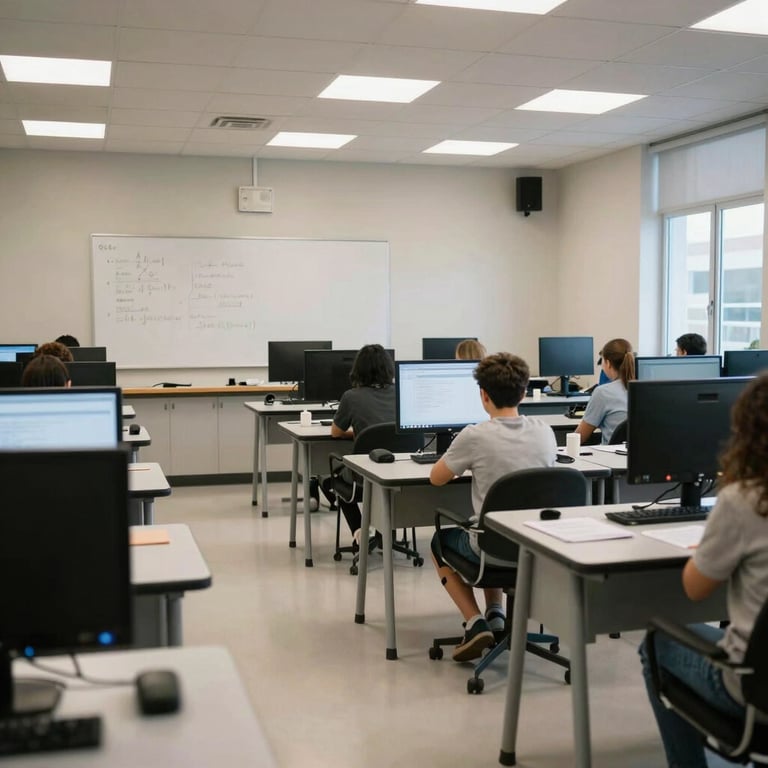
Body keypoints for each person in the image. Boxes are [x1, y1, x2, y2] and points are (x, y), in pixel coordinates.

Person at [638, 373, 768, 768]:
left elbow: (695, 589)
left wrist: (712, 550)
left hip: (753, 692)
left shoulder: (744, 500)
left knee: (657, 644)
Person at [429, 353, 557, 661]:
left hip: (491, 550)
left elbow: (436, 479)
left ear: (483, 395)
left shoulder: (474, 436)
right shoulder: (545, 431)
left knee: (441, 541)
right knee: (496, 526)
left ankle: (475, 622)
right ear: (525, 392)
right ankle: (497, 613)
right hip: (539, 548)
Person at [330, 344, 396, 542]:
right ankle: (385, 534)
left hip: (364, 475)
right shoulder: (402, 393)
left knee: (334, 479)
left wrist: (362, 434)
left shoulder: (351, 397)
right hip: (400, 472)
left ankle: (360, 531)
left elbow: (336, 432)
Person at [575, 338, 634, 445]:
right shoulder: (643, 389)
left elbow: (580, 437)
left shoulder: (603, 392)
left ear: (608, 363)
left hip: (610, 458)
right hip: (638, 457)